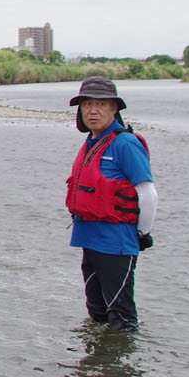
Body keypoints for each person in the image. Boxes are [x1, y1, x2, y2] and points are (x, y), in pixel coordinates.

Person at [65, 76, 155, 332]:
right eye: (87, 104)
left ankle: (122, 370)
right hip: (89, 239)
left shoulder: (125, 143)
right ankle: (97, 366)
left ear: (114, 108)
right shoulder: (92, 142)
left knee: (121, 318)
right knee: (97, 311)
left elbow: (147, 193)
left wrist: (143, 233)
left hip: (116, 242)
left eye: (101, 104)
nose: (93, 111)